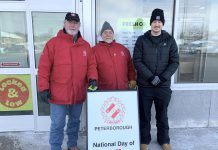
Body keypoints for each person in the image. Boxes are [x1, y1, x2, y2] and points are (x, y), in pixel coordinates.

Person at [37, 12, 98, 150]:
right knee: (58, 124)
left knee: (75, 121)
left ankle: (72, 145)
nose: (72, 24)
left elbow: (91, 66)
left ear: (79, 25)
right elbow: (43, 67)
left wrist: (93, 79)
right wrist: (43, 87)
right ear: (64, 23)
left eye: (75, 22)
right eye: (70, 21)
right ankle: (55, 147)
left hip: (78, 92)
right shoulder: (53, 43)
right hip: (58, 94)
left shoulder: (85, 46)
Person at [133, 8, 179, 150]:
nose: (157, 24)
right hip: (145, 86)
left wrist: (163, 78)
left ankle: (164, 140)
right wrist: (151, 77)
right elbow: (137, 60)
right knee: (144, 115)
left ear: (162, 24)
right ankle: (144, 140)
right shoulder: (142, 40)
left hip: (163, 87)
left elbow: (175, 61)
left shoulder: (170, 40)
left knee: (162, 115)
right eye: (154, 21)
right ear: (150, 23)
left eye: (159, 21)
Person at [93, 21, 136, 90]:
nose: (108, 35)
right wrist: (93, 83)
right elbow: (92, 69)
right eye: (105, 32)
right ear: (101, 35)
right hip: (104, 91)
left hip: (123, 89)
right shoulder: (95, 50)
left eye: (110, 32)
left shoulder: (123, 49)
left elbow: (130, 66)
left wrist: (132, 79)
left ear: (113, 35)